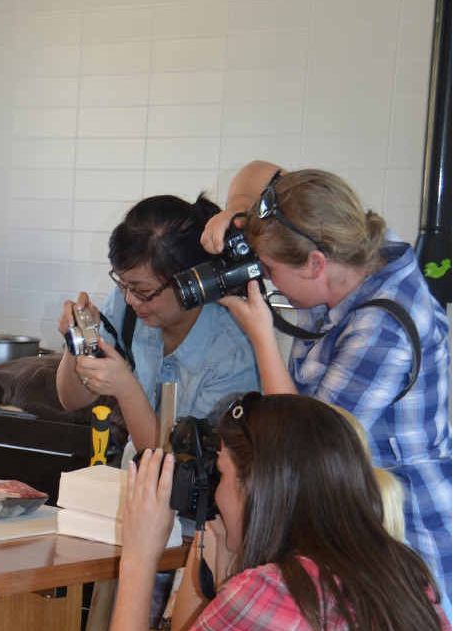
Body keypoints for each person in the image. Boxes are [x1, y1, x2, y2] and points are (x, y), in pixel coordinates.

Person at [200, 161, 452, 611]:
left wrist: (261, 335)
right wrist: (238, 214)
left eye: (271, 269)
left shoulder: (382, 329)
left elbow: (301, 449)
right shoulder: (355, 244)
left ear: (316, 263)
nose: (267, 280)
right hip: (355, 525)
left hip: (407, 534)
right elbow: (262, 172)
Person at [112, 393, 449, 631]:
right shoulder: (408, 576)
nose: (216, 491)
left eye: (223, 474)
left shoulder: (273, 591)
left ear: (260, 488)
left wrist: (138, 559)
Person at [56, 194, 259, 453]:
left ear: (191, 284)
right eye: (123, 284)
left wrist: (126, 389)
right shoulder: (126, 303)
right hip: (139, 476)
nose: (130, 299)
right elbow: (71, 400)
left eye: (142, 291)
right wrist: (78, 343)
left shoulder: (233, 354)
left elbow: (175, 467)